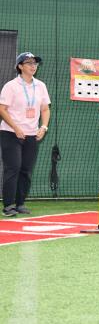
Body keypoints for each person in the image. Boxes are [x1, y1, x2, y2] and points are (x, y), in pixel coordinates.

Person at [0, 52, 51, 217]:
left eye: (35, 63)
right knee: (13, 167)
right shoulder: (11, 86)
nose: (33, 66)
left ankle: (20, 203)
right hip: (10, 133)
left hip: (31, 135)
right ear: (20, 66)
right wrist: (15, 127)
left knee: (26, 169)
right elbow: (2, 109)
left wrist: (43, 127)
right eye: (28, 63)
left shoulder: (41, 86)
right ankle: (8, 205)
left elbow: (45, 109)